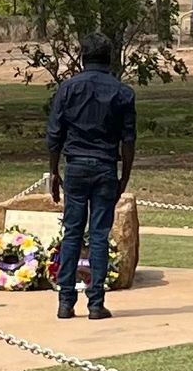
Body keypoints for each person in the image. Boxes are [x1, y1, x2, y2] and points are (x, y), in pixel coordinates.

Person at [46, 32, 136, 320]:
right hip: (105, 165)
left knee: (72, 232)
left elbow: (54, 135)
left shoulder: (68, 89)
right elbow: (128, 140)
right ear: (109, 58)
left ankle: (65, 301)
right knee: (98, 235)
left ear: (83, 57)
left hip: (76, 166)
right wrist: (125, 176)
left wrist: (54, 171)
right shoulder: (122, 92)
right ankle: (96, 302)